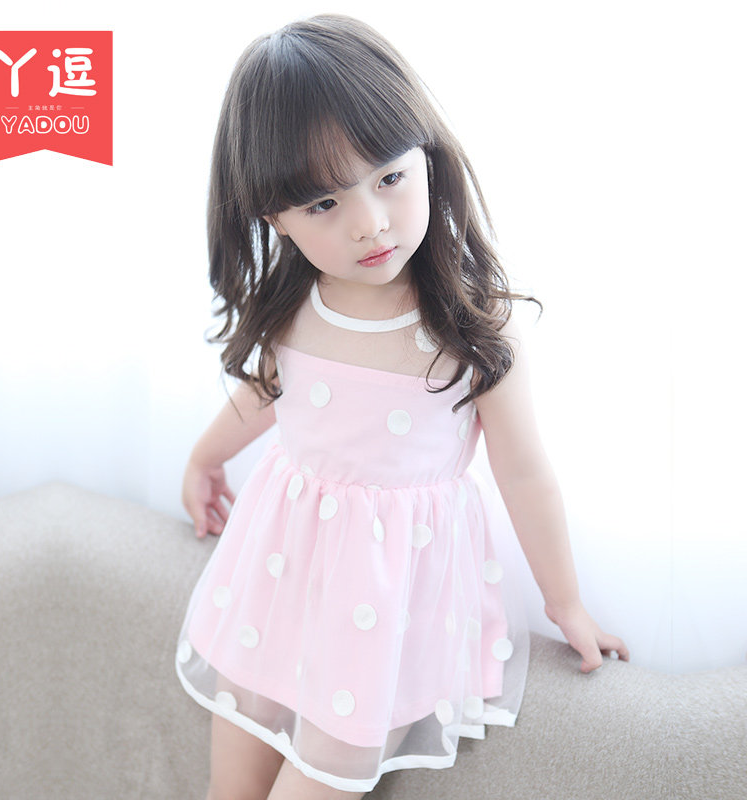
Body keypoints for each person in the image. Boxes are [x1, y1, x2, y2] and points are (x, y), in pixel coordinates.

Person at [176, 14, 629, 800]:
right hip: (276, 581)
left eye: (388, 177)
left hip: (385, 614)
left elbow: (524, 474)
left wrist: (567, 604)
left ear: (428, 156)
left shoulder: (472, 325)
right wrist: (205, 457)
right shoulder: (294, 305)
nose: (371, 223)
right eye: (323, 203)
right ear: (272, 217)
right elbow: (271, 391)